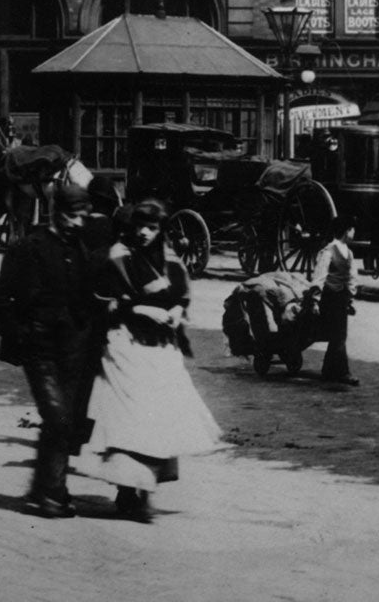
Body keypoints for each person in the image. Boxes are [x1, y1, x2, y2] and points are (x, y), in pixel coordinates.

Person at [72, 199, 226, 520]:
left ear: (161, 230)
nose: (144, 233)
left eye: (152, 228)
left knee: (158, 416)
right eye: (139, 226)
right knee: (130, 415)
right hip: (125, 343)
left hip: (159, 347)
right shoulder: (118, 256)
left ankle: (143, 487)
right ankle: (128, 489)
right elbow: (105, 300)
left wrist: (175, 311)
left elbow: (180, 293)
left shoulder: (167, 259)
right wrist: (141, 309)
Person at [0, 181, 98, 518]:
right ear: (57, 213)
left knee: (66, 420)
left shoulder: (80, 248)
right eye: (76, 216)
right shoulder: (29, 248)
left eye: (84, 217)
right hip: (41, 350)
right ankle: (51, 493)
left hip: (74, 350)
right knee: (57, 417)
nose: (80, 223)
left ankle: (45, 489)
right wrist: (20, 335)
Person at [306, 212, 359, 386]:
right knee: (339, 334)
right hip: (330, 297)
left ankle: (328, 371)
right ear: (346, 231)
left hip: (341, 297)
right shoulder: (328, 251)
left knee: (338, 334)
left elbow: (352, 277)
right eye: (352, 229)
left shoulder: (349, 253)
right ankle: (342, 372)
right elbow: (320, 276)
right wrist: (315, 299)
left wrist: (350, 296)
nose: (354, 233)